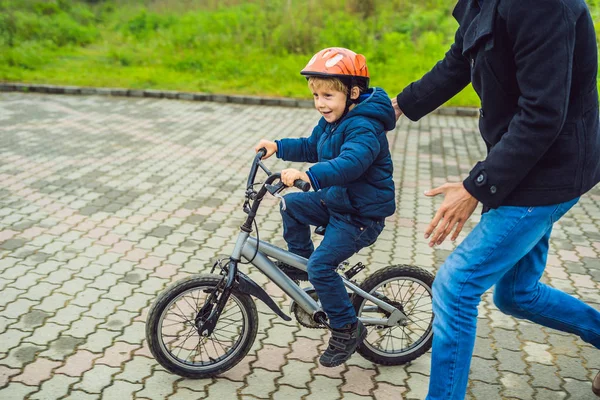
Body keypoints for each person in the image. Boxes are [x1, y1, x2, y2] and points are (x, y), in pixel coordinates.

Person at [392, 0, 600, 398]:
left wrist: (474, 188)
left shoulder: (543, 6)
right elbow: (460, 60)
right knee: (517, 294)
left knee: (455, 287)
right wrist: (399, 106)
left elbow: (542, 114)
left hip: (551, 171)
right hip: (522, 164)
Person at [254, 47, 396, 367]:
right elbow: (310, 146)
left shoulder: (364, 126)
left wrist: (309, 175)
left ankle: (347, 328)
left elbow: (351, 163)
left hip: (361, 214)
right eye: (316, 95)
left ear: (353, 93)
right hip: (338, 201)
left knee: (322, 266)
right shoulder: (331, 121)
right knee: (291, 206)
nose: (321, 103)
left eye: (328, 95)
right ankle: (302, 262)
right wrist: (277, 146)